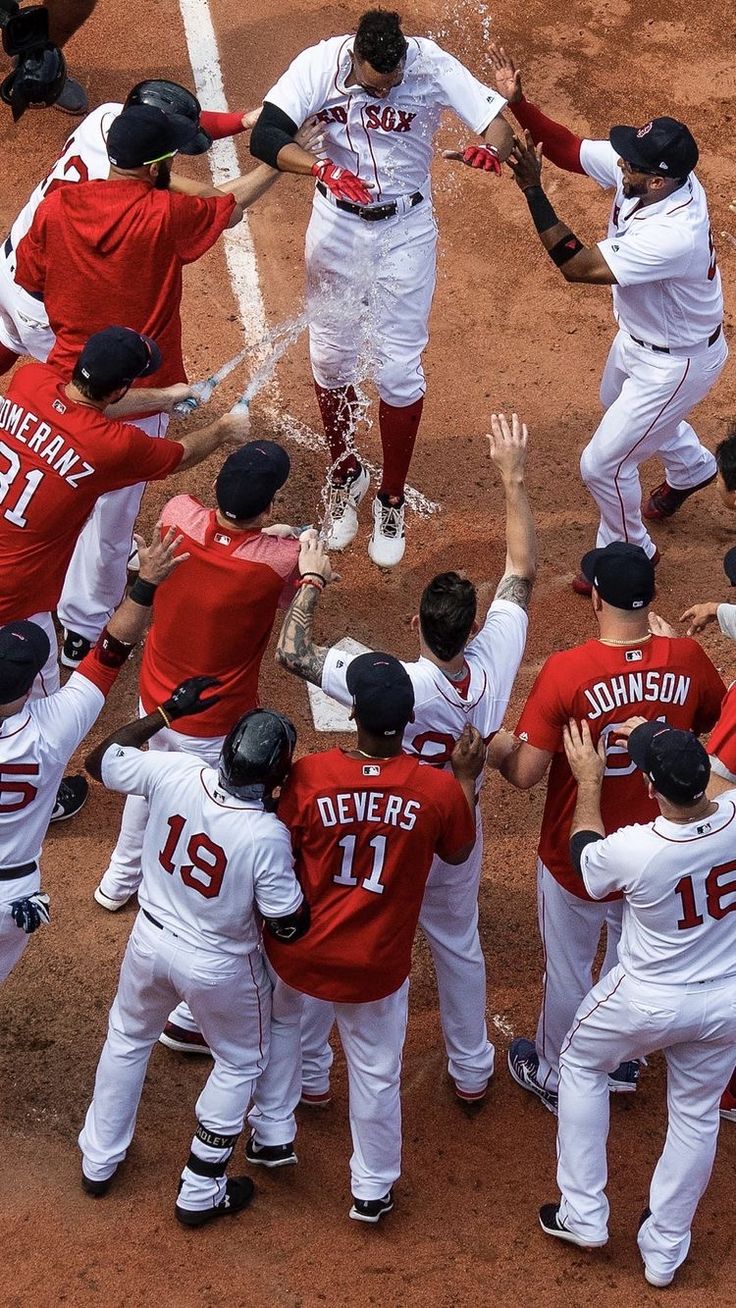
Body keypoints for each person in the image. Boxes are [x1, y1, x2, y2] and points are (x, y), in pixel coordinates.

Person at [274, 411, 535, 1106]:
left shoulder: (394, 684)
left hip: (389, 820)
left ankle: (308, 1074)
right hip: (455, 817)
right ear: (471, 629)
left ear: (418, 625)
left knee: (348, 922)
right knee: (458, 944)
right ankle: (473, 1068)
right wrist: (513, 479)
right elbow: (521, 572)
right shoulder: (496, 655)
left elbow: (294, 654)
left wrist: (311, 581)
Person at [12, 100, 287, 664]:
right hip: (139, 394)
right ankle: (82, 628)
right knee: (112, 521)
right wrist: (279, 162)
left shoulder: (59, 206)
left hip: (62, 380)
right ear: (155, 165)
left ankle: (57, 611)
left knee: (54, 502)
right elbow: (229, 208)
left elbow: (31, 280)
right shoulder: (163, 214)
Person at [250, 8, 514, 566]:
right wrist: (318, 169)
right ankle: (345, 472)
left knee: (399, 369)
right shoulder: (319, 64)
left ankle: (389, 496)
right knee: (330, 358)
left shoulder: (430, 66)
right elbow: (267, 134)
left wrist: (490, 150)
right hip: (337, 225)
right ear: (356, 58)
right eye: (375, 82)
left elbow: (498, 126)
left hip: (406, 230)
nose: (386, 91)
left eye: (393, 82)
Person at [487, 541, 725, 1112]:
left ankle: (552, 1070)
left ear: (595, 597)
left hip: (579, 855)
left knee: (569, 970)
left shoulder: (568, 671)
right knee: (627, 960)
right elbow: (715, 736)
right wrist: (670, 657)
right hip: (654, 855)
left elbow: (525, 773)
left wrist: (493, 747)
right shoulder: (688, 658)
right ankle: (621, 1061)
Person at [244, 652, 482, 1222]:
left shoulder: (308, 777)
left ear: (355, 716)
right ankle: (371, 1188)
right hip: (376, 965)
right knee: (376, 1072)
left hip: (301, 949)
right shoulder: (436, 790)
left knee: (284, 1026)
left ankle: (275, 1128)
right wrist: (467, 778)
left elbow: (278, 850)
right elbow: (457, 850)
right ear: (408, 722)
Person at [487, 44, 727, 587]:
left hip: (678, 363)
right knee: (614, 405)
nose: (621, 162)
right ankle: (691, 468)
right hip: (642, 340)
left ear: (660, 180)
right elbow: (570, 148)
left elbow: (578, 267)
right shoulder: (649, 174)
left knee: (602, 465)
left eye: (632, 163)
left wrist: (531, 188)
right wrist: (520, 104)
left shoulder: (674, 233)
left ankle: (631, 551)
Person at [80, 700, 309, 1227]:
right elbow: (287, 924)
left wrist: (163, 715)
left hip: (149, 942)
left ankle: (99, 1158)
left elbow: (101, 761)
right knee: (239, 1063)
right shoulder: (265, 836)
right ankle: (201, 1188)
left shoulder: (178, 770)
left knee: (128, 1037)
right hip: (219, 968)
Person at [539, 718, 736, 1290]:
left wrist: (590, 784)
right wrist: (655, 732)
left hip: (646, 1002)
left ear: (650, 788)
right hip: (725, 1002)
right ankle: (665, 1250)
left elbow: (584, 859)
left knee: (578, 1063)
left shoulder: (638, 850)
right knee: (696, 1116)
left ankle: (583, 1213)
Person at [93, 439, 300, 922]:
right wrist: (280, 535)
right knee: (205, 809)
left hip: (155, 700)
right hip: (213, 723)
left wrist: (264, 532)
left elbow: (227, 540)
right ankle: (176, 893)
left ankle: (116, 880)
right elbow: (286, 589)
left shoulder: (176, 514)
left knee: (151, 779)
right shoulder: (279, 563)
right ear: (268, 504)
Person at [0, 326, 249, 694]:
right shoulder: (111, 448)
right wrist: (225, 429)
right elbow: (183, 454)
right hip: (17, 599)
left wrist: (164, 397)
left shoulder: (29, 380)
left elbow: (89, 403)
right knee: (38, 704)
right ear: (119, 389)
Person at [0, 525, 182, 991]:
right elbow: (109, 654)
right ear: (28, 687)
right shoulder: (52, 727)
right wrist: (146, 583)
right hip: (11, 895)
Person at [0, 77, 256, 375]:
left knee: (8, 338)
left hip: (11, 266)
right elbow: (220, 205)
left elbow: (159, 127)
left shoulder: (106, 117)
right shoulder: (124, 190)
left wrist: (244, 120)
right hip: (43, 309)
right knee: (86, 394)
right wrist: (278, 160)